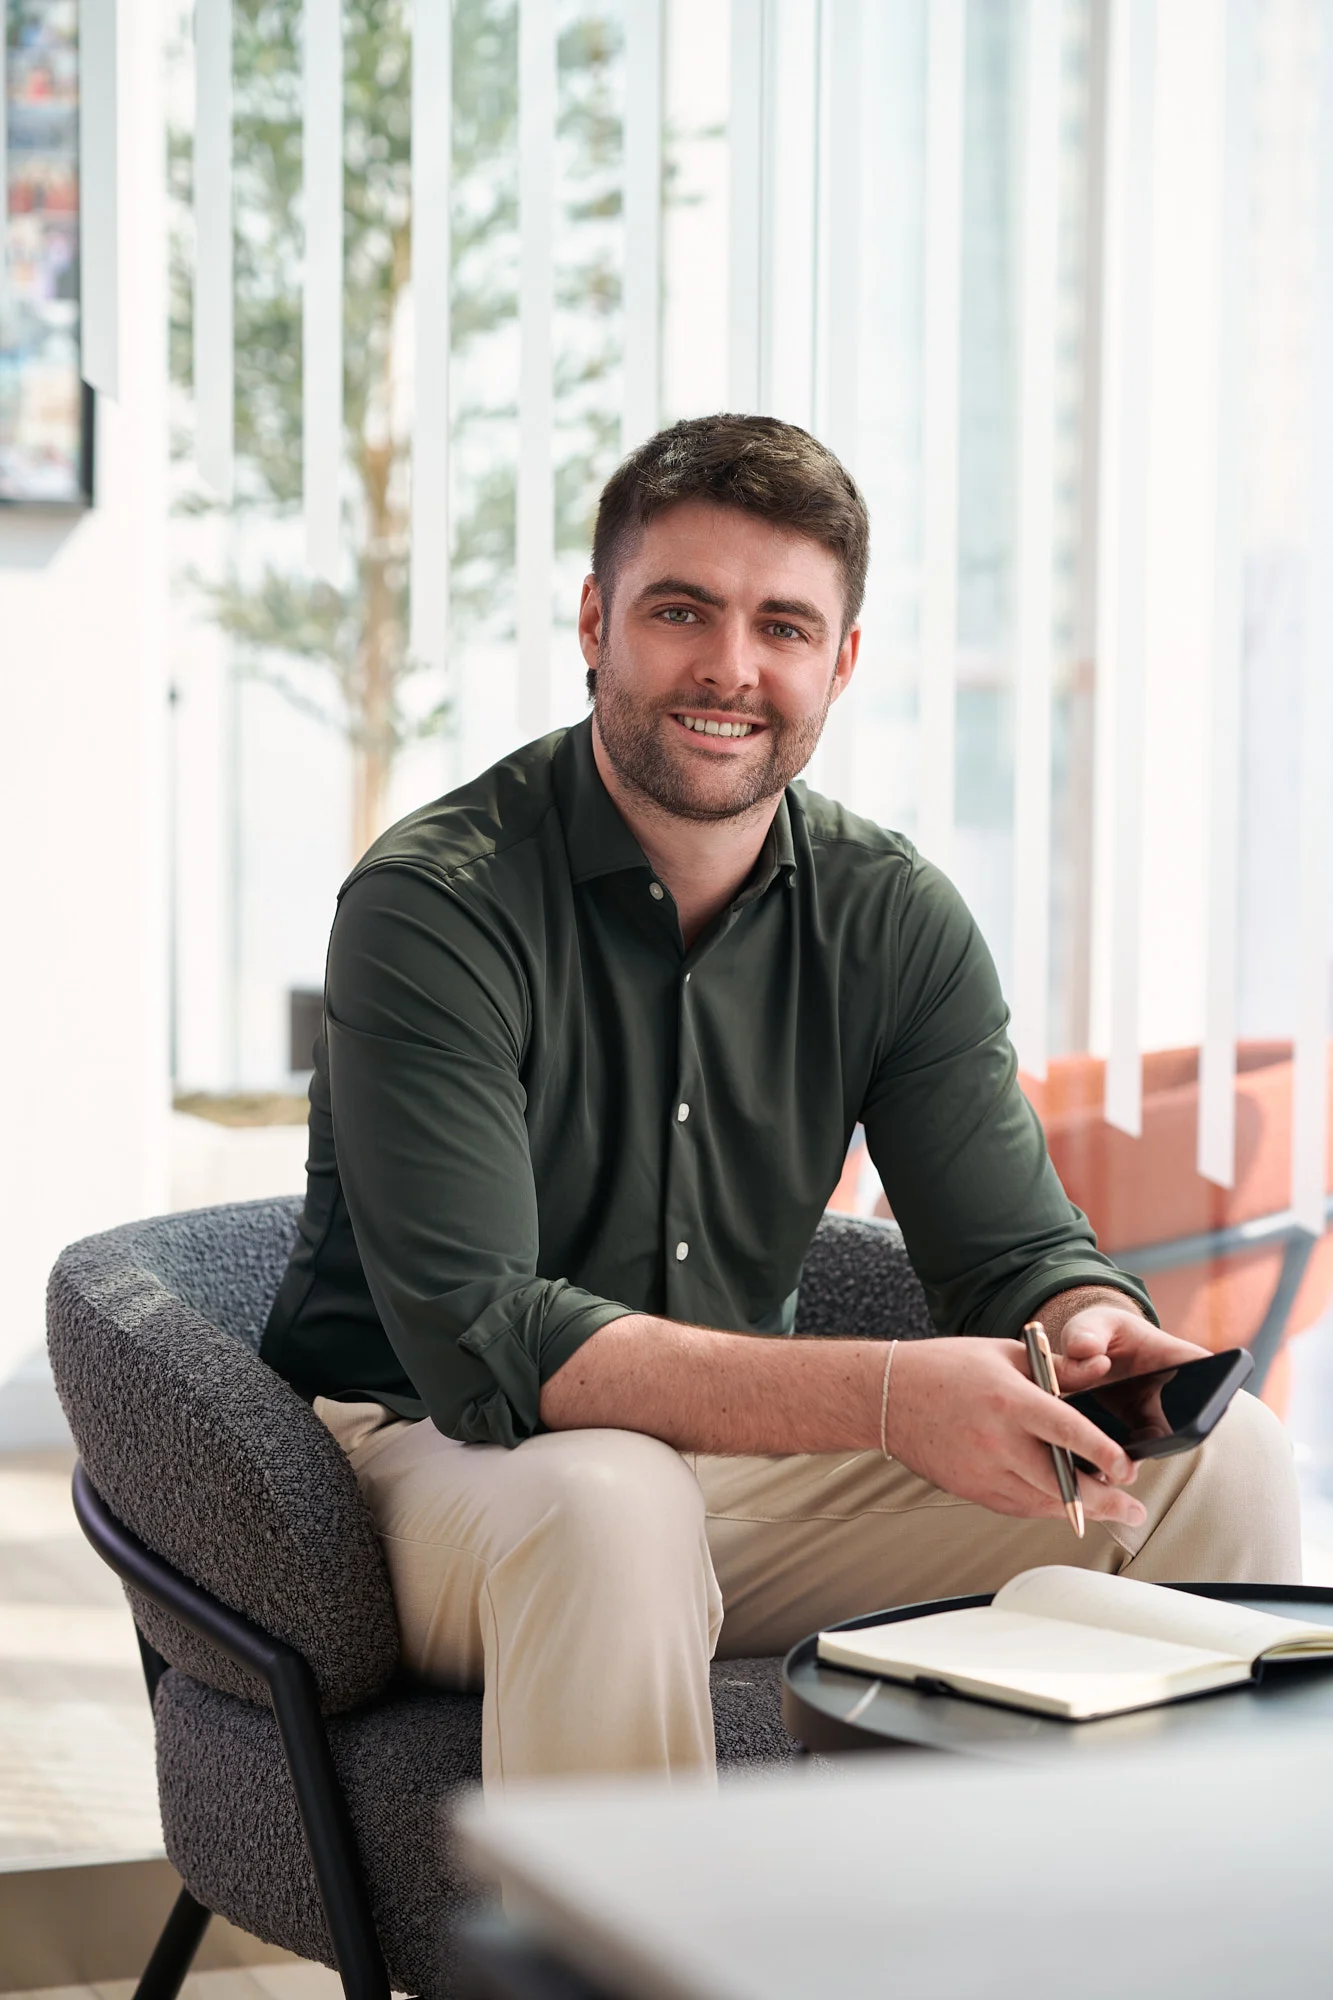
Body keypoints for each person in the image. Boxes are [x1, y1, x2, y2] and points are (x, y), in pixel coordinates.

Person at [261, 413, 1300, 1787]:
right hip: (432, 1461)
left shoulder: (893, 916)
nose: (732, 669)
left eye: (785, 627)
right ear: (594, 622)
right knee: (610, 1504)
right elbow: (482, 1337)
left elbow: (1008, 1254)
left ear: (843, 661)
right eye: (681, 610)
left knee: (1225, 1467)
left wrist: (1091, 1329)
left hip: (734, 1468)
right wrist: (881, 1396)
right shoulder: (434, 904)